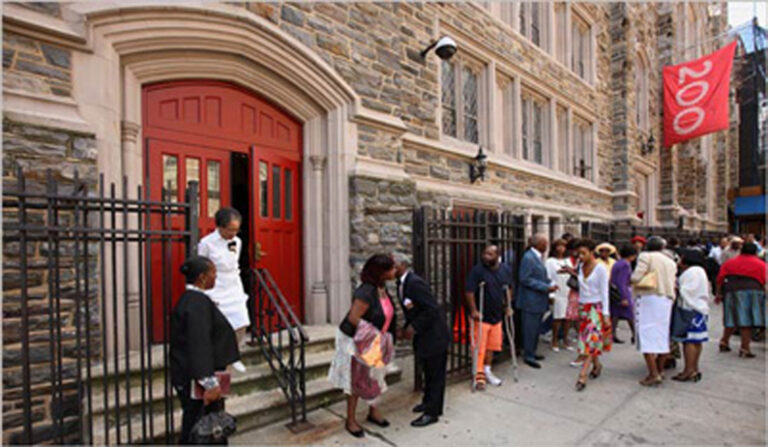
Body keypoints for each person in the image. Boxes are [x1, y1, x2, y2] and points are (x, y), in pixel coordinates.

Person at [171, 256, 240, 444]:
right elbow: (198, 343)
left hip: (194, 376)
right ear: (202, 277)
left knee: (199, 425)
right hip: (198, 380)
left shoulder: (194, 300)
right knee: (200, 430)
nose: (216, 276)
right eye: (213, 272)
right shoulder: (196, 303)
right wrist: (209, 384)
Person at [331, 254, 397, 438]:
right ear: (381, 272)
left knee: (376, 377)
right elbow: (354, 319)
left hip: (377, 341)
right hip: (358, 342)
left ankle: (373, 411)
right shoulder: (366, 291)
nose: (395, 271)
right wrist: (373, 340)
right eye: (391, 268)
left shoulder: (382, 288)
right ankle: (350, 420)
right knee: (356, 380)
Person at [393, 254, 450, 427]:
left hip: (435, 336)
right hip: (424, 336)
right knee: (427, 371)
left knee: (435, 374)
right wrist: (406, 327)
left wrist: (413, 327)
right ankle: (428, 401)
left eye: (392, 264)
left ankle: (432, 412)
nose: (390, 268)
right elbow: (414, 310)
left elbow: (431, 309)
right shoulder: (401, 283)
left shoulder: (414, 282)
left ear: (402, 265)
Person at [197, 207, 249, 373]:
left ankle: (234, 355)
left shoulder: (237, 242)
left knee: (242, 321)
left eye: (236, 229)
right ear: (220, 226)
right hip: (216, 285)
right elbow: (201, 266)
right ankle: (219, 358)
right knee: (219, 326)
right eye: (230, 229)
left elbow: (235, 263)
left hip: (233, 284)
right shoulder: (207, 243)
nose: (234, 233)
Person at [561, 239, 610, 391]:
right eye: (578, 254)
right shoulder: (581, 267)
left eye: (583, 253)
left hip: (596, 308)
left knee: (589, 341)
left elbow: (604, 292)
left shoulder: (600, 268)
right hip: (584, 306)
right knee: (588, 339)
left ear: (591, 252)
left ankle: (583, 375)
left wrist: (606, 314)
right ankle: (597, 365)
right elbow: (581, 287)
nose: (580, 256)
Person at [465, 245, 514, 389]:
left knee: (491, 347)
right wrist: (474, 310)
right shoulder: (477, 270)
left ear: (497, 256)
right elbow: (469, 291)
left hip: (496, 315)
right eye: (485, 253)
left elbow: (509, 287)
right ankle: (478, 375)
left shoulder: (505, 269)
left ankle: (487, 370)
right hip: (481, 316)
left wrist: (507, 305)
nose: (486, 257)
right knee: (479, 347)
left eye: (490, 254)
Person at [631, 236, 677, 387]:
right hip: (666, 299)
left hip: (649, 296)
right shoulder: (670, 261)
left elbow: (637, 276)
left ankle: (653, 373)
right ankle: (660, 369)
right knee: (662, 335)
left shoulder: (646, 256)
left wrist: (631, 279)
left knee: (646, 334)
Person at [716, 242, 767, 358]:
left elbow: (720, 278)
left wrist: (718, 293)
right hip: (753, 291)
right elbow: (764, 280)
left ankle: (724, 341)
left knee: (731, 317)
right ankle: (745, 348)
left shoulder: (730, 262)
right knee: (746, 320)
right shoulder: (761, 264)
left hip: (732, 290)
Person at [516, 234, 558, 369]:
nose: (547, 246)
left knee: (535, 329)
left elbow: (537, 276)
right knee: (530, 329)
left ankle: (532, 352)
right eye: (545, 243)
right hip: (530, 301)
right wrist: (545, 287)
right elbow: (525, 278)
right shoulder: (529, 258)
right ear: (538, 244)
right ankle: (528, 355)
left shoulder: (536, 257)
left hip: (537, 300)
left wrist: (548, 283)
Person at [672, 249, 710, 382]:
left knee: (689, 342)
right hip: (699, 310)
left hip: (690, 310)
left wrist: (675, 286)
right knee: (696, 341)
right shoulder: (700, 271)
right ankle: (694, 368)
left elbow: (686, 290)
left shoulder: (692, 272)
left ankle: (688, 370)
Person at [545, 239, 574, 352]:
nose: (561, 249)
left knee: (567, 318)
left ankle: (565, 340)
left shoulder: (568, 260)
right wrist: (551, 294)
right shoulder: (550, 261)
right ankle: (554, 340)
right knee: (557, 317)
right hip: (557, 290)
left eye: (563, 246)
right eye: (559, 246)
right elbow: (548, 277)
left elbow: (572, 273)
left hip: (568, 290)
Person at [610, 245, 636, 344]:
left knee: (615, 314)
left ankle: (612, 333)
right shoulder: (625, 265)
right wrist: (624, 296)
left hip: (616, 291)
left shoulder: (618, 263)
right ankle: (634, 334)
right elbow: (622, 281)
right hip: (623, 290)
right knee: (630, 314)